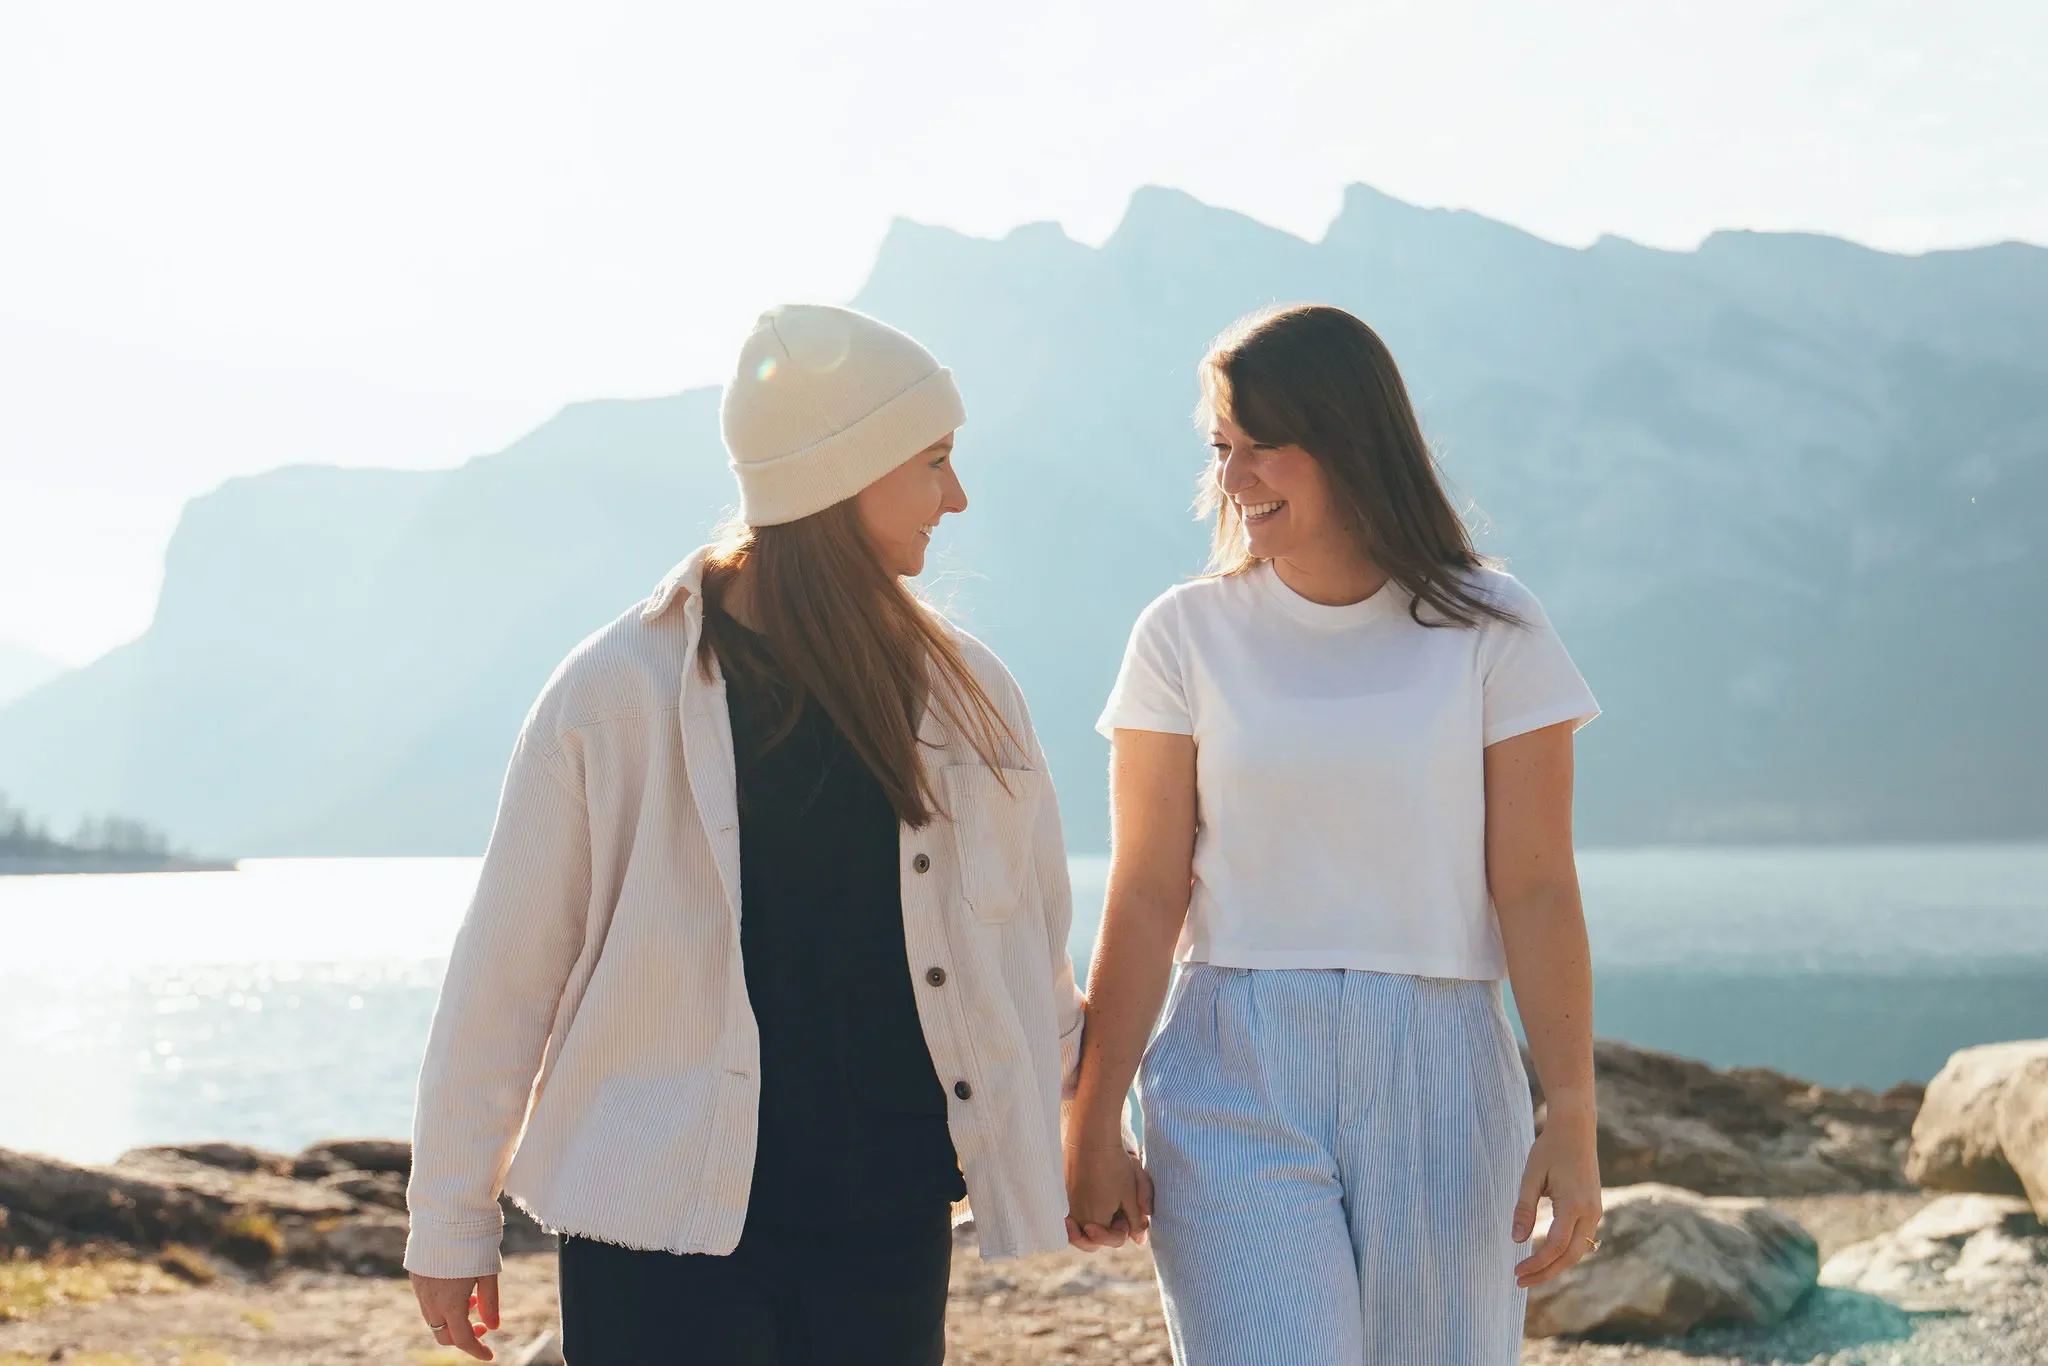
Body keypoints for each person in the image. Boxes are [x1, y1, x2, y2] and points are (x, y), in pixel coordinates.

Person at [404, 304, 1116, 1365]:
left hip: (887, 1218)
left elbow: (1026, 951)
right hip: (657, 1229)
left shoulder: (970, 695)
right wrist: (449, 1220)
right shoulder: (615, 693)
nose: (956, 497)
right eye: (932, 462)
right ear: (845, 472)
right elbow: (506, 973)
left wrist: (1092, 1135)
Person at [1064, 304, 1604, 1364]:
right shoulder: (1181, 634)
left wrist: (1573, 1116)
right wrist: (1092, 1118)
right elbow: (1145, 890)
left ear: (1350, 437)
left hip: (1444, 1067)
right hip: (1229, 1063)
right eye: (1220, 447)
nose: (1233, 477)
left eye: (1262, 445)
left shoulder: (1494, 627)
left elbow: (1536, 886)